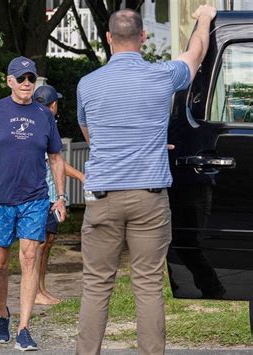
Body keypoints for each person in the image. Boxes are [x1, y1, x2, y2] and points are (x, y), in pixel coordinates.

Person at [75, 5, 217, 355]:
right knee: (148, 285)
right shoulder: (162, 75)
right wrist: (204, 18)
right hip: (149, 197)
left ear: (108, 38)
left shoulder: (87, 84)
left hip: (103, 197)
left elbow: (92, 136)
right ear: (143, 37)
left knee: (96, 286)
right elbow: (195, 52)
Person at [0, 56, 67, 351]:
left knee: (29, 258)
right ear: (10, 81)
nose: (26, 84)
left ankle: (24, 327)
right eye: (21, 78)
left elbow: (56, 158)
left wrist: (60, 196)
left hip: (34, 200)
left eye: (30, 79)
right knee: (0, 263)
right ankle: (3, 315)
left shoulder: (44, 115)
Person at [33, 85, 84, 305]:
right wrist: (82, 177)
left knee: (48, 242)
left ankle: (41, 288)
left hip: (52, 196)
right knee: (39, 244)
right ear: (53, 105)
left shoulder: (47, 124)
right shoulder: (40, 126)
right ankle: (35, 291)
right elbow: (58, 163)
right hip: (43, 195)